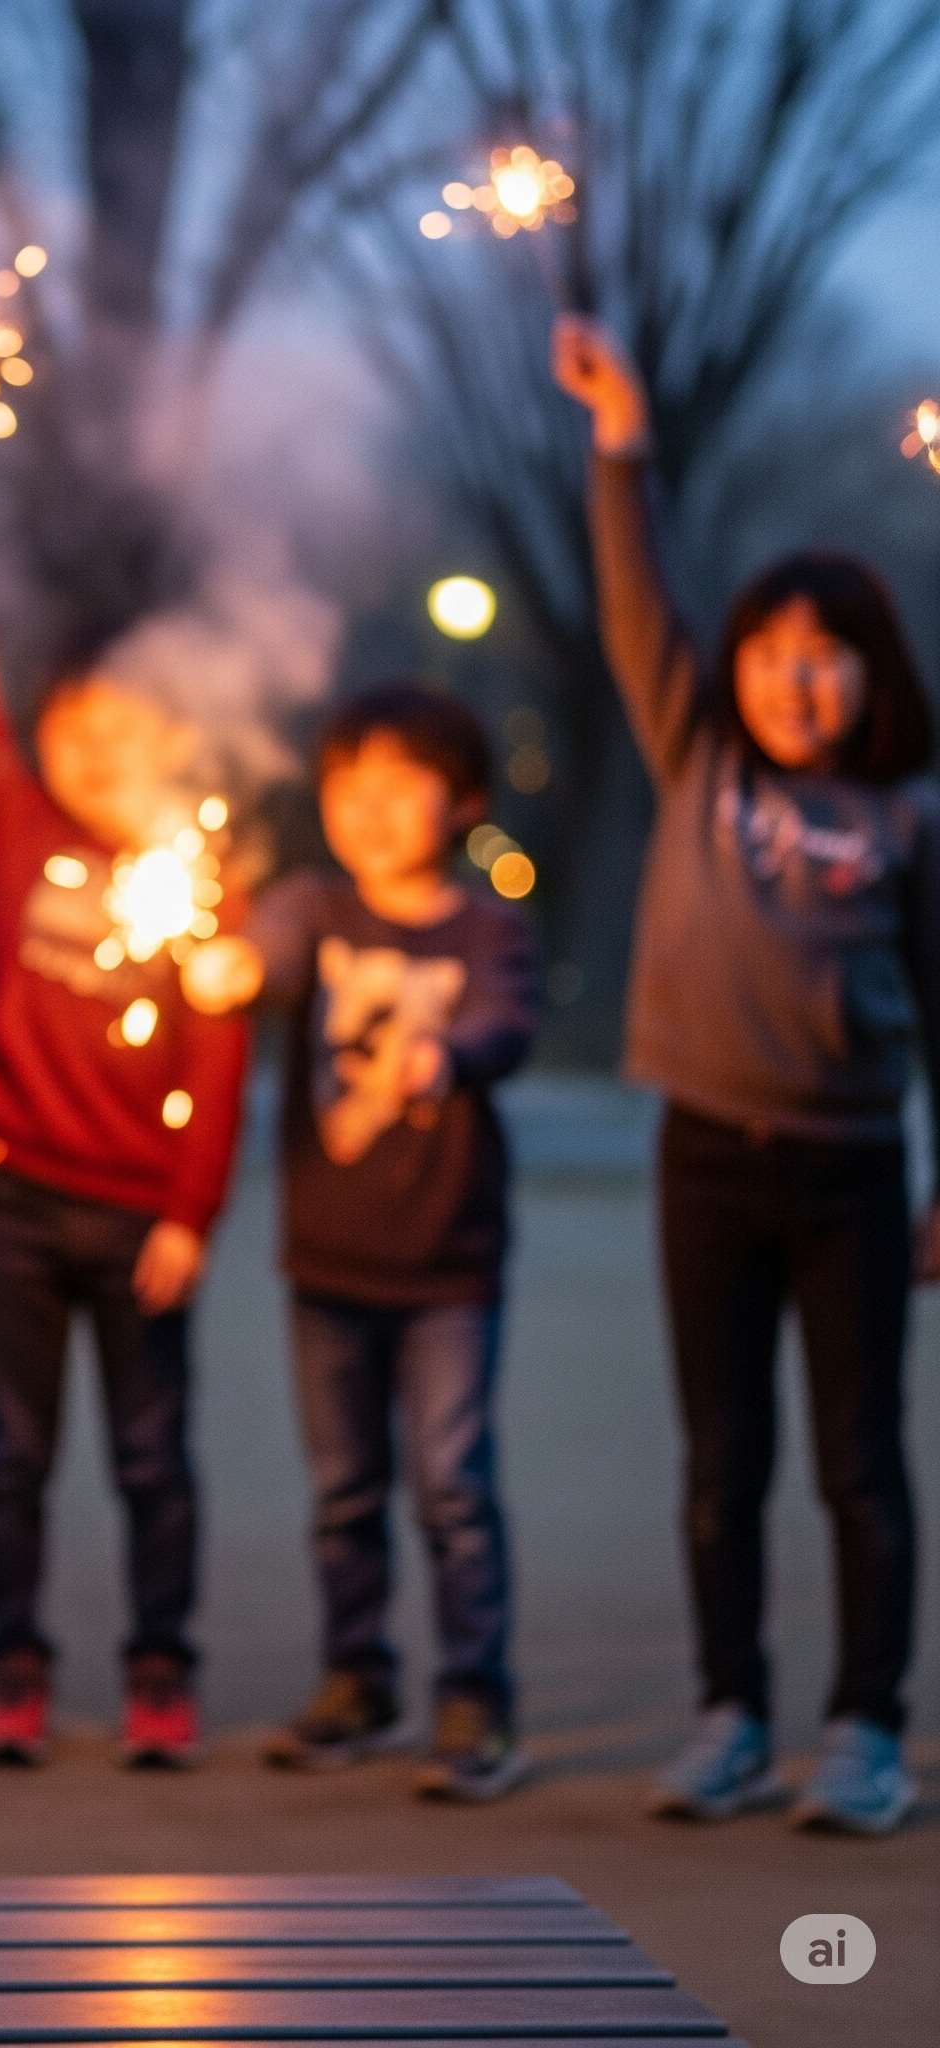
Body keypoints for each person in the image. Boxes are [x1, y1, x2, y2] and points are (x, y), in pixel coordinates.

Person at [554, 315, 935, 1835]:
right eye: (772, 655)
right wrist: (622, 442)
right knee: (723, 1457)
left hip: (850, 1166)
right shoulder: (696, 760)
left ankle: (865, 1731)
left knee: (859, 1461)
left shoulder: (911, 815)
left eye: (825, 660)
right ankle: (729, 1715)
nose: (796, 683)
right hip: (704, 1152)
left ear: (871, 677)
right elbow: (638, 599)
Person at [0, 443, 251, 1769]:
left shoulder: (191, 874)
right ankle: (15, 1667)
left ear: (172, 741)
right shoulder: (11, 825)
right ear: (50, 738)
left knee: (153, 1456)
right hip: (9, 1190)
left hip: (139, 1218)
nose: (102, 751)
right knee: (12, 1449)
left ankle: (161, 1668)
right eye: (80, 728)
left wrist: (193, 1213)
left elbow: (220, 1063)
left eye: (131, 730)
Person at [185, 686, 538, 1800]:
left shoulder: (487, 929)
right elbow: (274, 949)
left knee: (448, 1485)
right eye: (349, 787)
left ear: (462, 799)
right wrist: (239, 969)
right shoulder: (312, 905)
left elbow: (503, 1022)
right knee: (343, 1485)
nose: (370, 810)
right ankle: (357, 1676)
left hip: (446, 1264)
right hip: (326, 1261)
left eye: (400, 786)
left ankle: (475, 1693)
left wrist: (452, 1053)